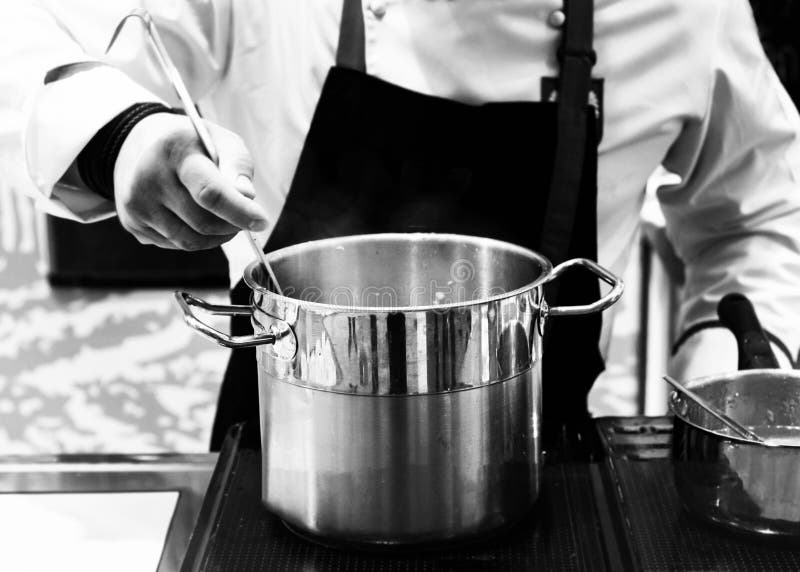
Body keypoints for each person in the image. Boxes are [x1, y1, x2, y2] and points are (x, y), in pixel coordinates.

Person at [3, 0, 800, 452]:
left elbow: (758, 205)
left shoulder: (681, 11)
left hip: (541, 465)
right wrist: (120, 133)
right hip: (283, 453)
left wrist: (737, 335)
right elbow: (34, 32)